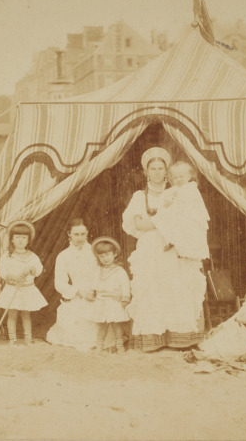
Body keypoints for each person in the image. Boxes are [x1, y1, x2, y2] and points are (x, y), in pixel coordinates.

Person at [122, 147, 207, 351]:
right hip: (150, 249)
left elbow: (190, 219)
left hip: (174, 248)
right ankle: (153, 339)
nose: (157, 172)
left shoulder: (179, 192)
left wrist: (167, 221)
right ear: (146, 171)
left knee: (176, 289)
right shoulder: (139, 196)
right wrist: (164, 219)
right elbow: (140, 224)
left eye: (161, 168)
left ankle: (179, 338)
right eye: (153, 168)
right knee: (152, 290)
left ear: (166, 171)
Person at [46, 219, 100, 350]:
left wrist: (96, 291)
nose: (80, 238)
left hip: (97, 293)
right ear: (69, 234)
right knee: (75, 323)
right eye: (76, 234)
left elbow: (104, 274)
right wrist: (78, 291)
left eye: (83, 234)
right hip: (77, 294)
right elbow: (59, 283)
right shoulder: (63, 256)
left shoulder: (96, 252)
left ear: (87, 233)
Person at [0, 220, 48, 346]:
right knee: (12, 314)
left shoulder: (32, 256)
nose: (20, 240)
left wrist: (32, 269)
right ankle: (13, 339)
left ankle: (28, 339)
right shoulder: (7, 256)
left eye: (24, 238)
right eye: (17, 237)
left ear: (28, 240)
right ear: (12, 239)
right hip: (13, 288)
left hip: (27, 289)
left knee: (26, 313)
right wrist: (13, 276)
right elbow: (2, 270)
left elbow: (38, 269)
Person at [153, 161, 210, 260]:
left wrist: (175, 200)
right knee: (164, 219)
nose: (178, 179)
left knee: (188, 231)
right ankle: (171, 240)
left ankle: (186, 250)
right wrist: (167, 203)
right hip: (178, 214)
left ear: (189, 176)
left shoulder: (191, 187)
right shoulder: (174, 189)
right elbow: (168, 199)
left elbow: (190, 202)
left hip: (190, 215)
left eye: (181, 176)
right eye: (175, 177)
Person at [87, 237, 131, 354]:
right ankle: (99, 346)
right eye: (101, 256)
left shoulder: (120, 271)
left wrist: (125, 298)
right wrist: (92, 292)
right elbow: (94, 283)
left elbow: (125, 285)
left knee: (116, 325)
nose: (105, 258)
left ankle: (119, 346)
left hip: (114, 302)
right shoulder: (98, 270)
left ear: (114, 254)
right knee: (102, 326)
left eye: (107, 255)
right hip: (101, 302)